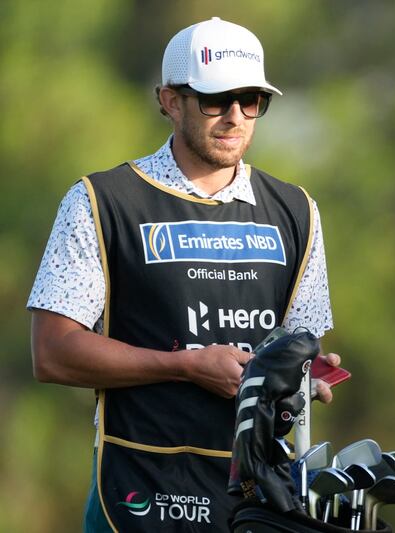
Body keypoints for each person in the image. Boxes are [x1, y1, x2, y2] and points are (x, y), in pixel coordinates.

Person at [28, 17, 340, 533]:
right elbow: (52, 352)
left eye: (251, 100)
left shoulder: (297, 209)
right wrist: (186, 365)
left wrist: (310, 375)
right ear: (170, 101)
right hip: (139, 489)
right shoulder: (101, 201)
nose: (235, 117)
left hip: (259, 497)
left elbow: (298, 343)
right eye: (215, 100)